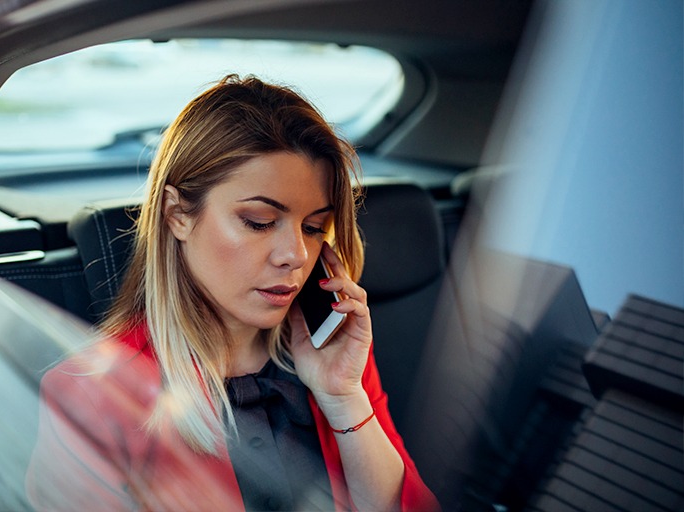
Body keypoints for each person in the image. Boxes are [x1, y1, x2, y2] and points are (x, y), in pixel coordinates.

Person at [26, 74, 439, 511]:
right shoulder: (95, 395)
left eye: (314, 227)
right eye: (260, 221)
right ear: (177, 213)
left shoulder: (332, 351)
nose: (296, 254)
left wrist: (344, 398)